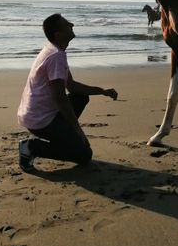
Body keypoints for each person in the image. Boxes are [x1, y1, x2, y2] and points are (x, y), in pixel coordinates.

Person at [17, 13, 118, 172]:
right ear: (58, 34)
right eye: (67, 24)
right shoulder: (56, 56)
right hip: (40, 119)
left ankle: (63, 136)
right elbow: (60, 98)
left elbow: (71, 86)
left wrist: (102, 91)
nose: (72, 25)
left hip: (37, 114)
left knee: (80, 97)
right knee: (84, 154)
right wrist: (78, 130)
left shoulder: (56, 51)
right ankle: (31, 147)